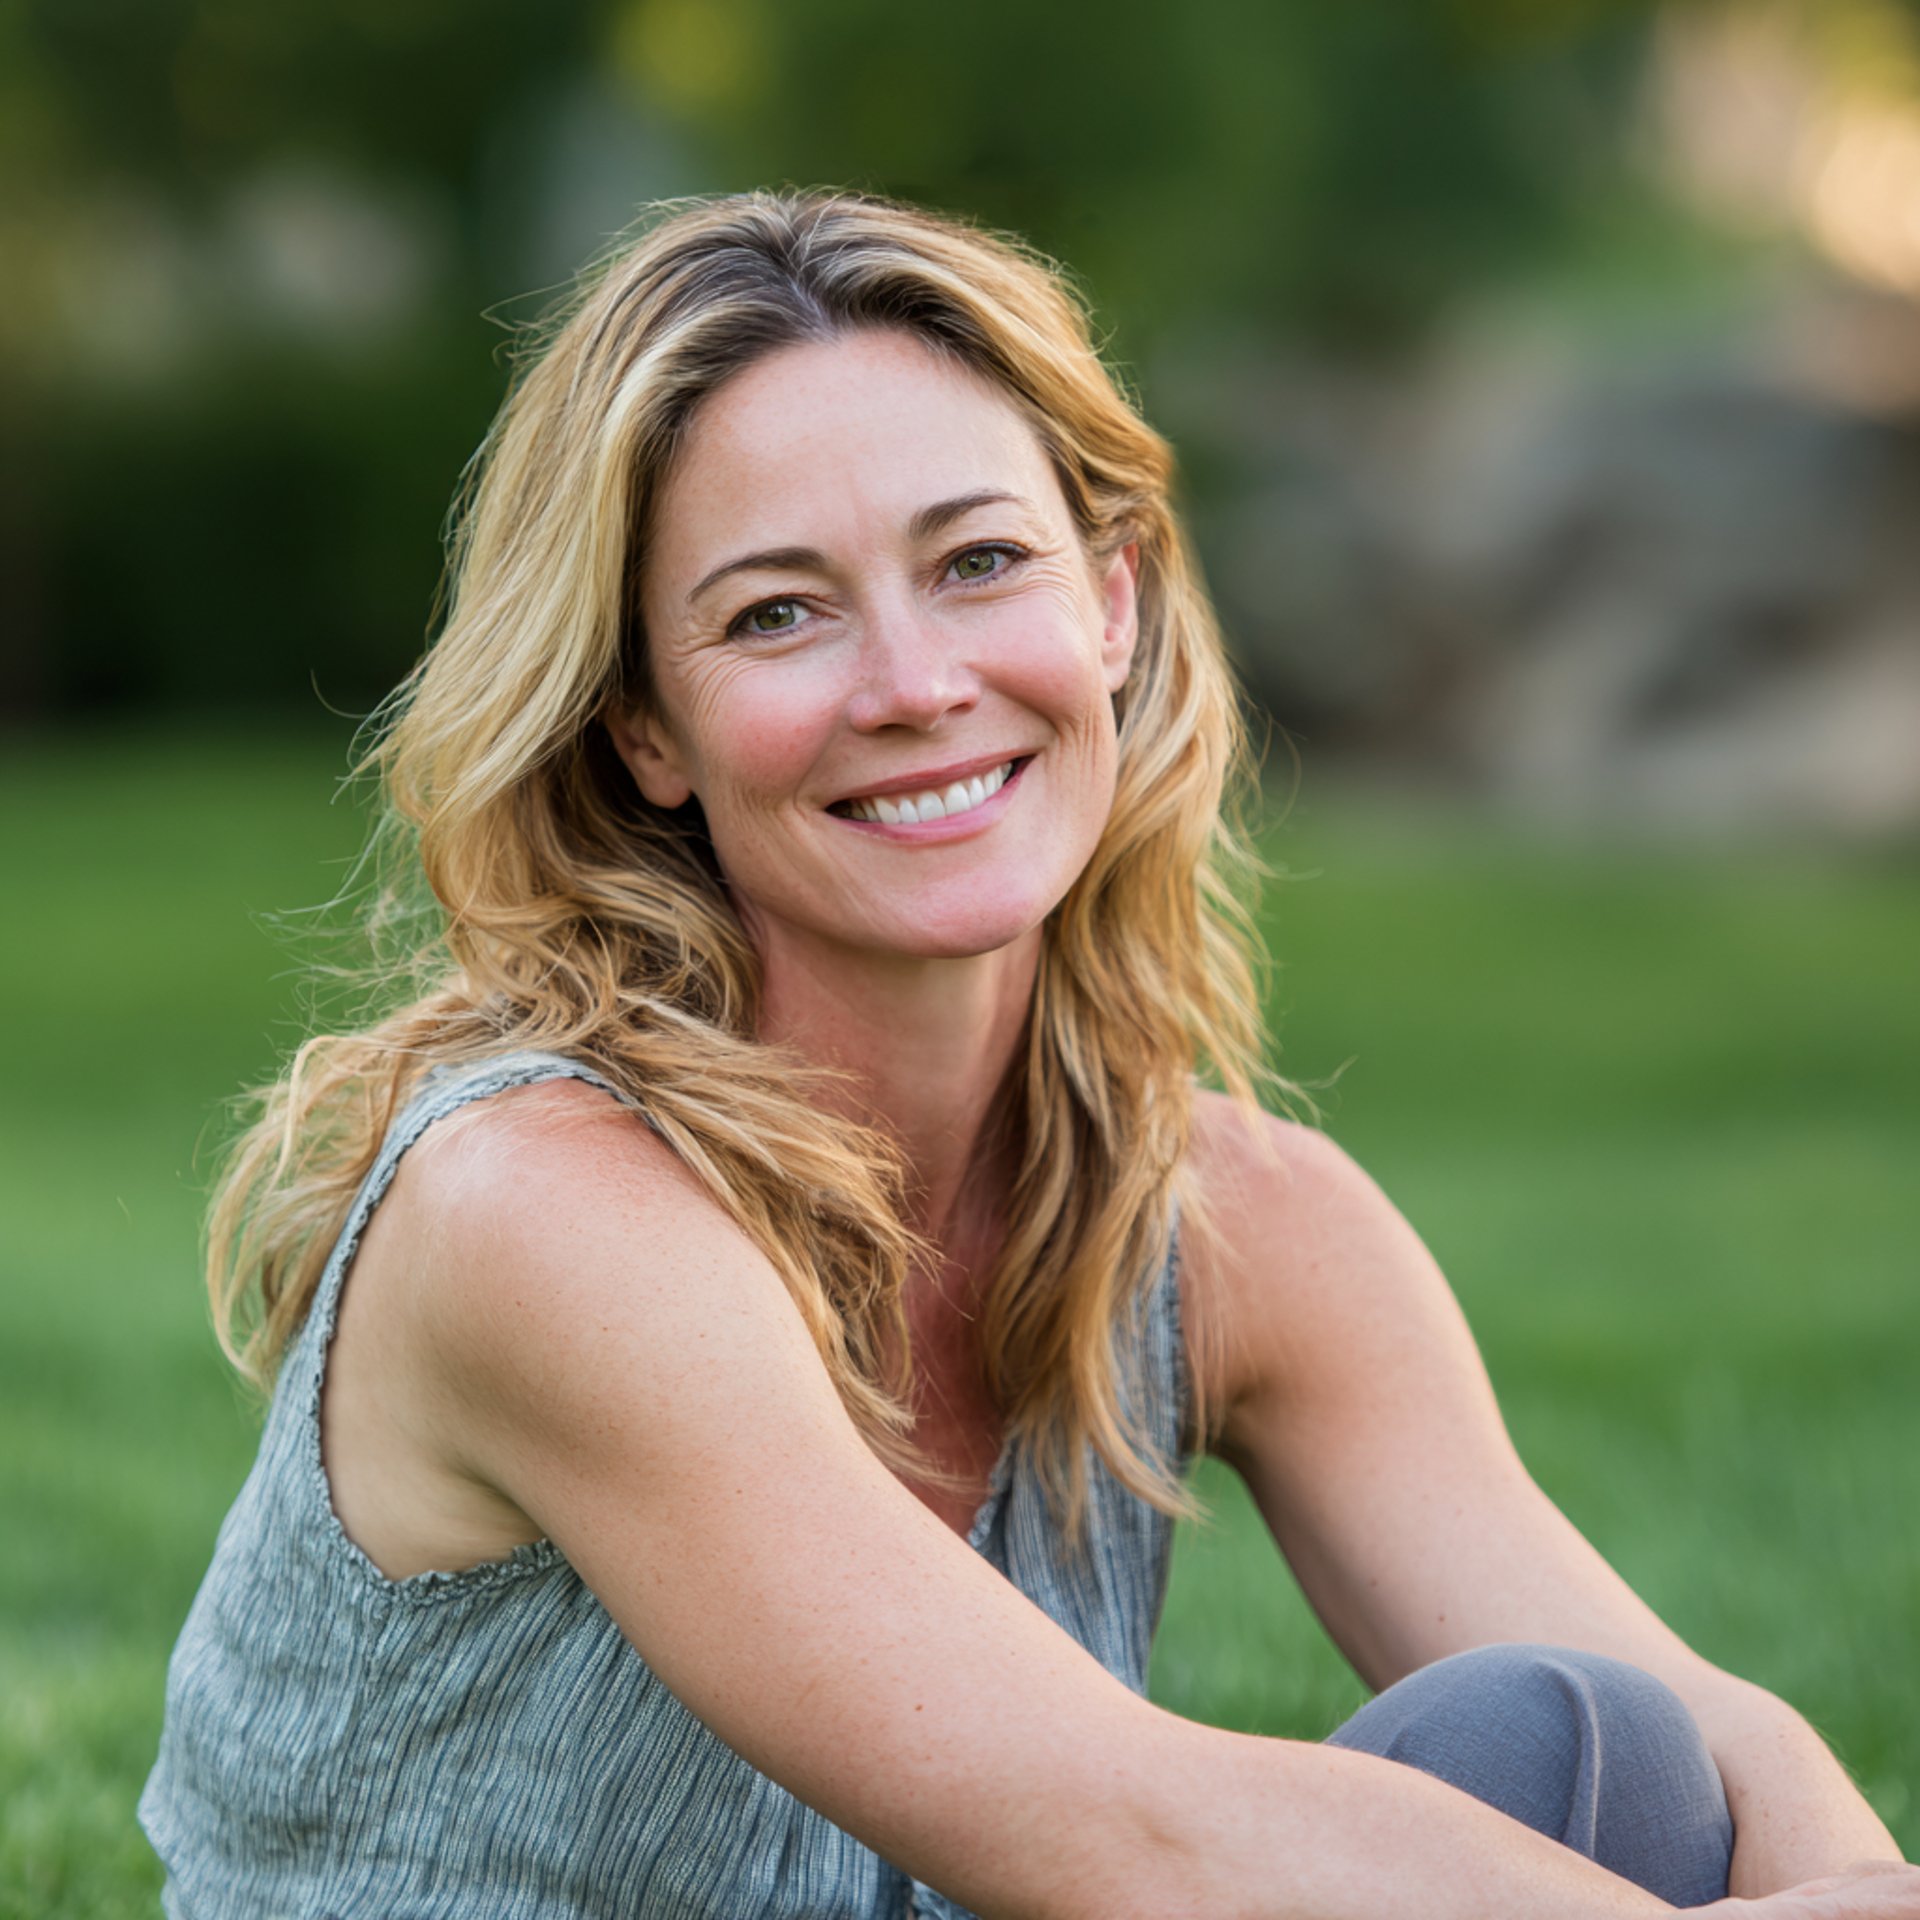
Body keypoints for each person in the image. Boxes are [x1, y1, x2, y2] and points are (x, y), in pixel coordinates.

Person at [140, 189, 1914, 1920]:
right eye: (778, 612)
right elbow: (1129, 1840)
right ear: (644, 729)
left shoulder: (1231, 1224)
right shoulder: (540, 1212)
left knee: (1594, 1748)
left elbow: (1714, 1737)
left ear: (1113, 603)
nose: (914, 683)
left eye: (980, 563)